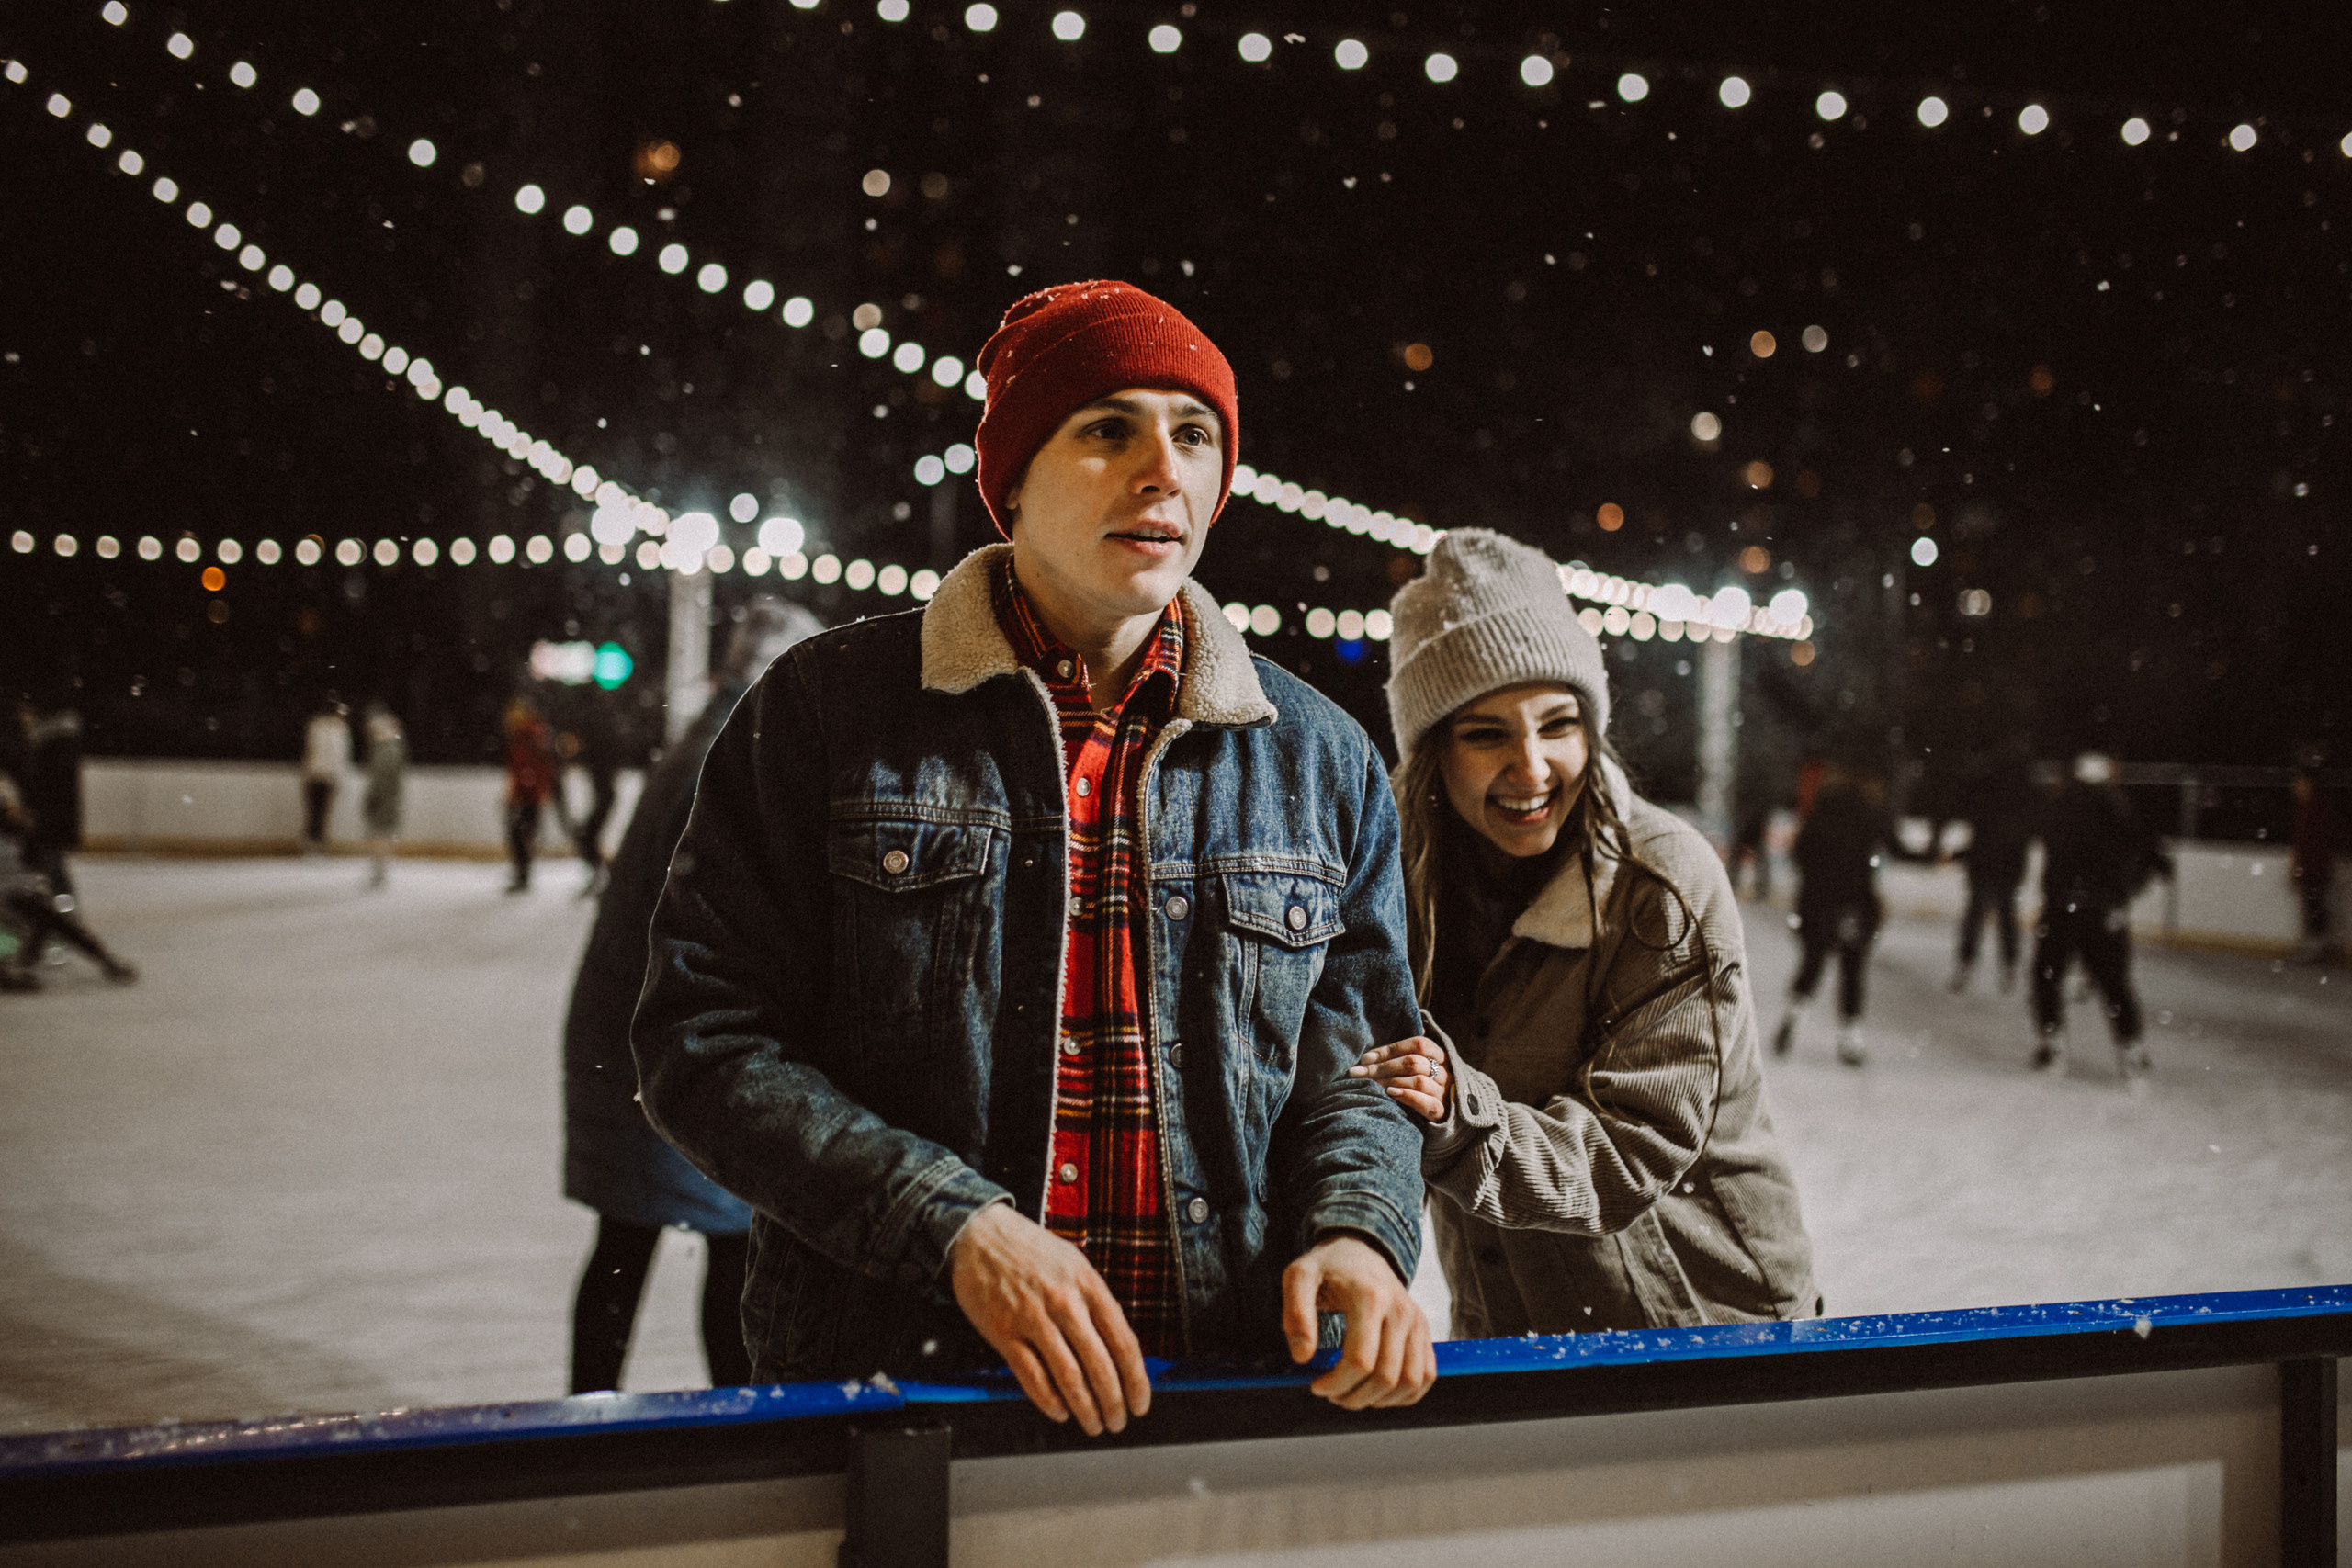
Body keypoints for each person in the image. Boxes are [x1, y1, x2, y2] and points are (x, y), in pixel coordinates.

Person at [633, 280, 1434, 1435]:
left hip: (1224, 1393)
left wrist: (1358, 1229)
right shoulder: (827, 714)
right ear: (1011, 479)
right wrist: (951, 1226)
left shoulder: (1318, 758)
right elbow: (702, 1041)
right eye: (1108, 428)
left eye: (1194, 434)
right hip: (902, 1396)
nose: (1163, 468)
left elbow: (1360, 1070)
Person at [1348, 531, 1816, 1337]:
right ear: (1433, 755)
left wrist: (1460, 1113)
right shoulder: (1395, 884)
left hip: (1700, 1324)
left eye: (1557, 725)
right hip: (1511, 1320)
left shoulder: (1660, 885)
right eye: (1486, 734)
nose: (1531, 767)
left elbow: (1630, 1146)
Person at [563, 597, 822, 1394]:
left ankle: (596, 1411)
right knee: (734, 1241)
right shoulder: (733, 754)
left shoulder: (712, 739)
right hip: (663, 1041)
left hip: (631, 1034)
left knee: (651, 1240)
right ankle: (736, 1417)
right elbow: (726, 921)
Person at [2032, 751, 2171, 1077]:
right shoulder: (2119, 808)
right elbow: (2151, 852)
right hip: (2104, 910)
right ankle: (2131, 1048)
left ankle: (2053, 1045)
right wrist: (2126, 891)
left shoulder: (2061, 806)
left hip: (2062, 909)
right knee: (2114, 983)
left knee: (2048, 978)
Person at [1770, 757, 1910, 1066]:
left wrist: (1816, 884)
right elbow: (1898, 849)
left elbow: (1799, 854)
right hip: (1854, 904)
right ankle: (1851, 1038)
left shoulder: (1819, 813)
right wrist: (1940, 856)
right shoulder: (1871, 815)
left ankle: (1792, 1017)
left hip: (1817, 901)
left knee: (1813, 963)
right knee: (1852, 968)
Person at [0, 773, 136, 989]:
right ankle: (16, 970)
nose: (17, 810)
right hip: (9, 895)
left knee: (48, 920)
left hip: (19, 892)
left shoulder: (21, 835)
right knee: (49, 919)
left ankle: (22, 966)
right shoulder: (14, 836)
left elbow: (38, 867)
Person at [1949, 739, 2040, 994]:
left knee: (1980, 915)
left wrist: (1963, 855)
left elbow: (1981, 831)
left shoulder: (1989, 789)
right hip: (2003, 865)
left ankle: (1970, 965)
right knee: (2003, 916)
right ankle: (2005, 967)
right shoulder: (2021, 792)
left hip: (1988, 864)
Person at [502, 696, 557, 894]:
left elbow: (541, 766)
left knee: (522, 833)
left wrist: (539, 791)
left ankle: (523, 874)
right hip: (524, 794)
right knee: (518, 833)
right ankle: (521, 873)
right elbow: (518, 769)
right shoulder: (522, 735)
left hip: (530, 795)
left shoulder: (532, 734)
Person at [360, 702, 407, 890]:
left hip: (384, 800)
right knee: (382, 833)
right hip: (390, 799)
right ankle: (379, 870)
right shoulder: (393, 747)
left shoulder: (386, 749)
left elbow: (380, 778)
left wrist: (373, 798)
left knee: (380, 834)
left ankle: (379, 871)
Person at [2290, 768, 2335, 964]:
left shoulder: (2313, 810)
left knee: (2314, 908)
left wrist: (2300, 869)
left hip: (2313, 868)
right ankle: (2317, 947)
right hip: (2313, 867)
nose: (2295, 787)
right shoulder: (2309, 809)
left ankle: (2317, 949)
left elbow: (2311, 844)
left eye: (2299, 783)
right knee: (2313, 907)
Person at [300, 700, 352, 856]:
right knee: (318, 812)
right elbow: (339, 755)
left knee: (318, 812)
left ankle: (315, 845)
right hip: (320, 774)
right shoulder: (335, 729)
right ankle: (314, 845)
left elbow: (312, 751)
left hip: (320, 774)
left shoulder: (319, 726)